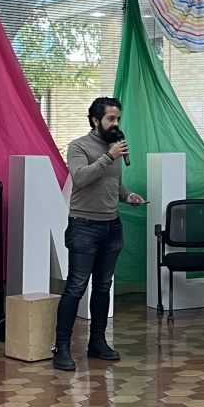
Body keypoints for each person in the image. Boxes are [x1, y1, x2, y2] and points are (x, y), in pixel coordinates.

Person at [57, 96, 146, 373]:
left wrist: (128, 196)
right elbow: (80, 178)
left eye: (118, 118)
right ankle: (61, 347)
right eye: (110, 118)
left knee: (103, 286)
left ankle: (97, 342)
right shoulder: (79, 146)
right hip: (84, 225)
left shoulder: (113, 148)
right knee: (76, 286)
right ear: (95, 120)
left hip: (112, 226)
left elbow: (114, 185)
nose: (116, 123)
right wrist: (109, 157)